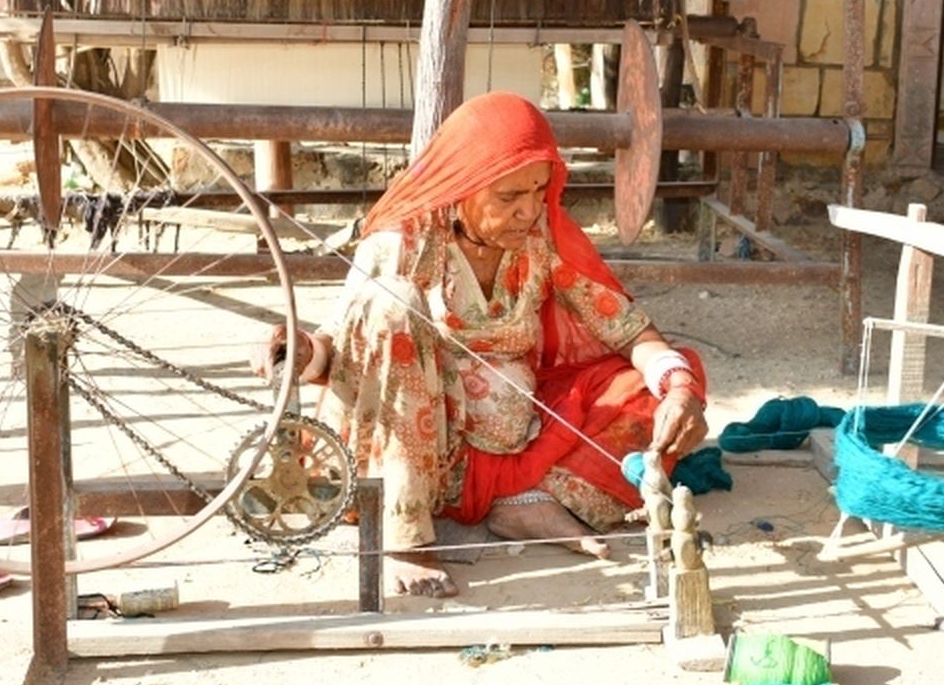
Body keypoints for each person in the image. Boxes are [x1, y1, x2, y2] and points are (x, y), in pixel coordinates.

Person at [255, 92, 707, 598]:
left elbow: (626, 328)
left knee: (662, 381)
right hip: (409, 449)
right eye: (508, 197)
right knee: (395, 305)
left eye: (538, 190)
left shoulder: (540, 239)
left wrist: (680, 389)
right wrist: (298, 352)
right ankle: (404, 536)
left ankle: (519, 504)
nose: (528, 210)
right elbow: (339, 352)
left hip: (508, 449)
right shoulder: (402, 243)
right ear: (462, 189)